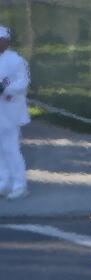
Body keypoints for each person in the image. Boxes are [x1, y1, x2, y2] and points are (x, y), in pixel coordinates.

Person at [0, 25, 29, 201]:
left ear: (6, 41)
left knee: (11, 149)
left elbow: (23, 83)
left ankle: (19, 184)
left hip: (11, 113)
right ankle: (4, 182)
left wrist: (5, 89)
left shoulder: (16, 60)